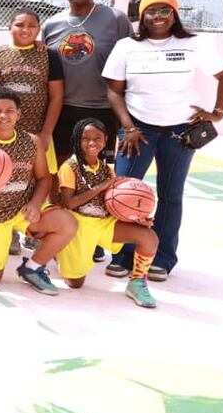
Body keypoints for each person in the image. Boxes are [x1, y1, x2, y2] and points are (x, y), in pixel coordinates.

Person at [102, 0, 223, 280]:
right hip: (138, 130)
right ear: (142, 15)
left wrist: (217, 113)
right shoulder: (127, 46)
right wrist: (128, 127)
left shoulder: (194, 44)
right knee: (125, 191)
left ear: (175, 14)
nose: (158, 16)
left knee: (170, 195)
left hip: (179, 131)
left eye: (165, 10)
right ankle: (123, 255)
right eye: (152, 10)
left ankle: (162, 258)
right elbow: (113, 91)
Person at [0, 88, 77, 294]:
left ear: (19, 114)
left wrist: (36, 203)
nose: (3, 115)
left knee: (68, 223)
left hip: (23, 207)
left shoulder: (31, 142)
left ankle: (33, 268)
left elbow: (44, 178)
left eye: (10, 110)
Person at [55, 119, 159, 308]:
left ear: (106, 141)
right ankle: (59, 251)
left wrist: (137, 218)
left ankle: (137, 282)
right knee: (75, 283)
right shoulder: (69, 167)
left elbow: (114, 204)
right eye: (85, 138)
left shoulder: (108, 169)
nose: (92, 143)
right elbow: (69, 203)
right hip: (79, 225)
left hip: (104, 223)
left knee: (149, 237)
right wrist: (101, 186)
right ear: (77, 140)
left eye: (97, 138)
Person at [43, 0, 131, 165]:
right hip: (62, 107)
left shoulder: (116, 19)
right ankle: (60, 198)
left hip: (102, 108)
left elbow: (131, 61)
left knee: (96, 167)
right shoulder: (51, 24)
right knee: (61, 166)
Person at [0, 10, 64, 174]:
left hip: (37, 131)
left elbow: (57, 96)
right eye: (19, 25)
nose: (26, 30)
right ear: (9, 27)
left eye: (32, 26)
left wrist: (46, 133)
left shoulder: (48, 55)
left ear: (39, 29)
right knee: (0, 177)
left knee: (40, 177)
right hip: (1, 132)